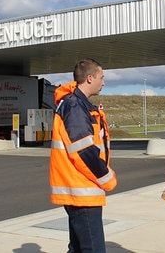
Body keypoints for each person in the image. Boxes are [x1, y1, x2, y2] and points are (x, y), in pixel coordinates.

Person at [49, 58, 117, 253]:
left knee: (78, 248)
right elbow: (84, 151)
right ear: (89, 78)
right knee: (92, 248)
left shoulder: (75, 104)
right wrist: (107, 178)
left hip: (79, 189)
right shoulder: (75, 106)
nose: (103, 82)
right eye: (101, 77)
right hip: (83, 189)